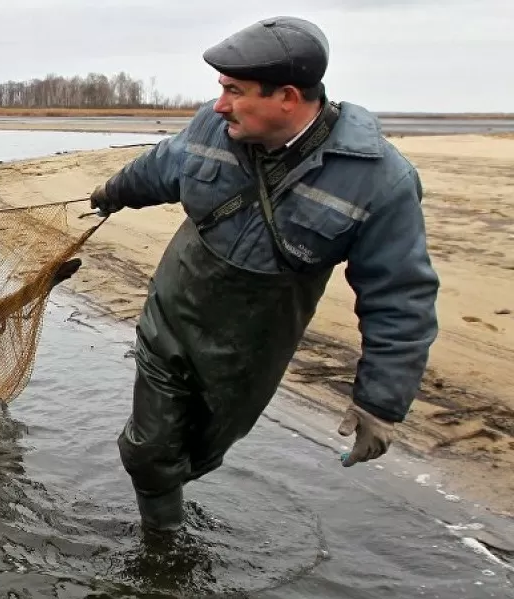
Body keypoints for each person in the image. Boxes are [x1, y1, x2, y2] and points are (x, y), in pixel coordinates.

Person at [87, 16, 439, 533]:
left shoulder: (381, 182)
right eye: (221, 89)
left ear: (288, 98)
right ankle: (162, 548)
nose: (220, 104)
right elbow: (162, 165)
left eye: (235, 91)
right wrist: (113, 192)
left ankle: (171, 506)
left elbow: (400, 298)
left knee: (201, 452)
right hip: (172, 315)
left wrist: (380, 404)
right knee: (147, 450)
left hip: (250, 351)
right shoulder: (213, 126)